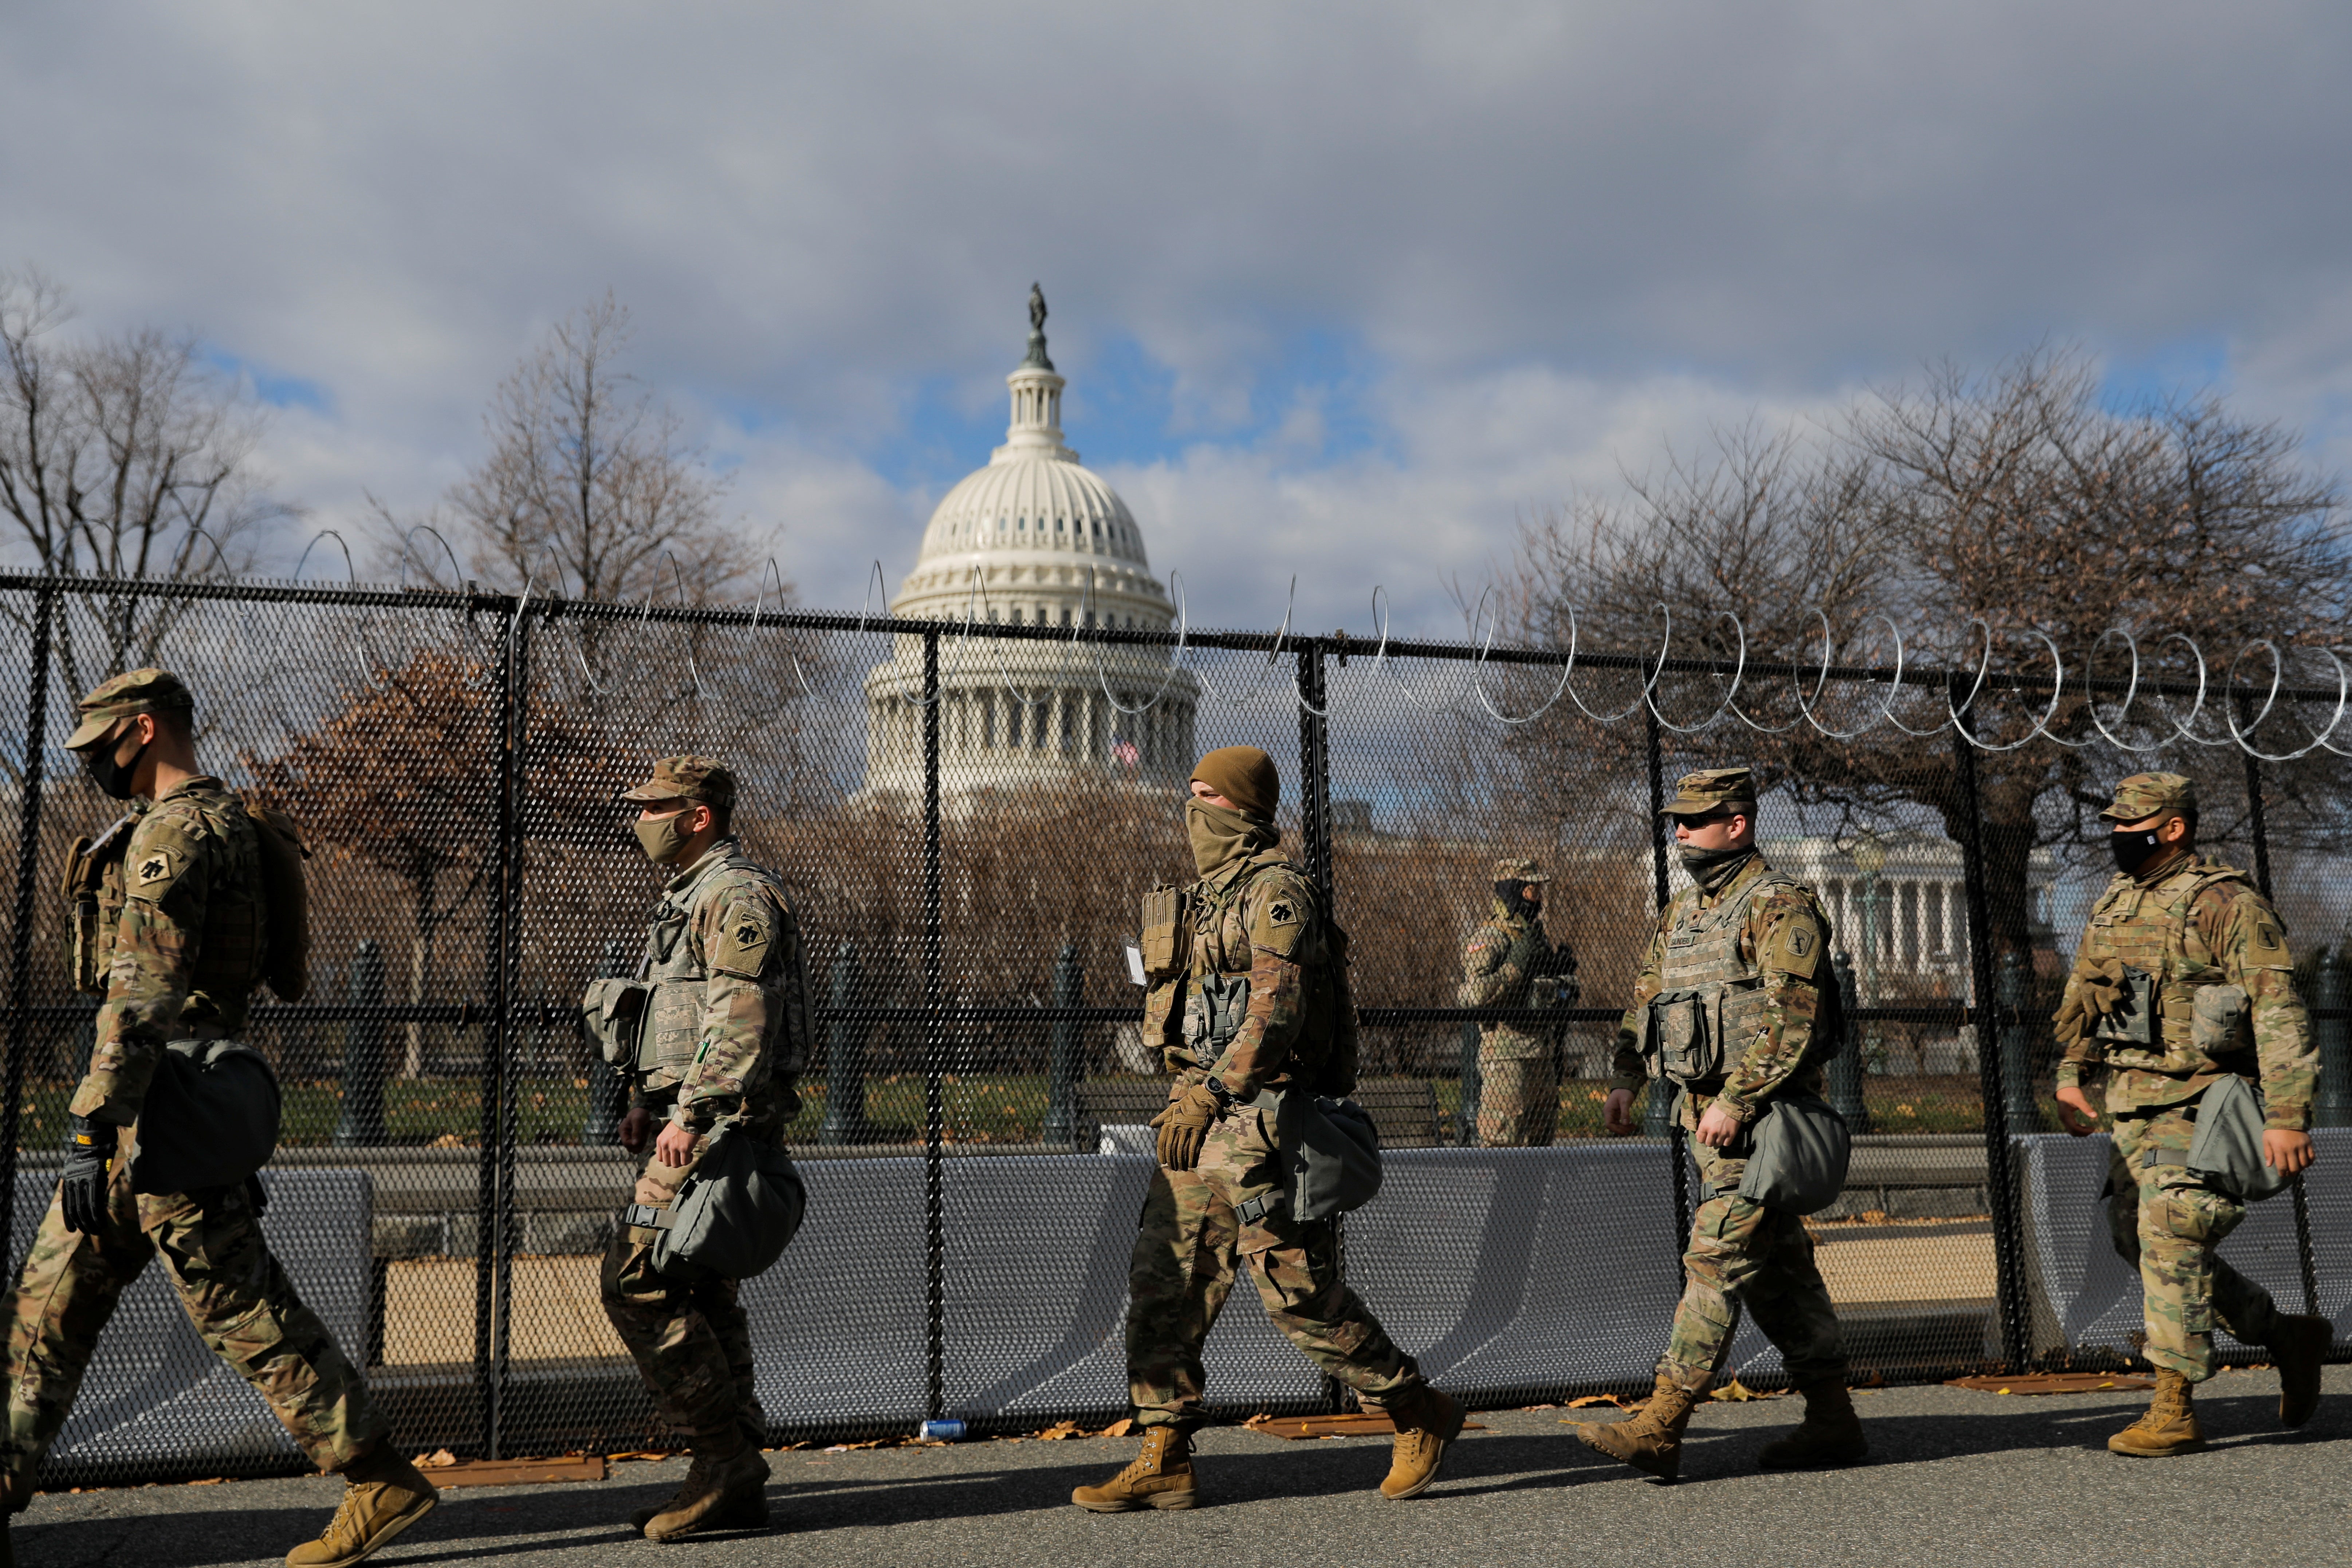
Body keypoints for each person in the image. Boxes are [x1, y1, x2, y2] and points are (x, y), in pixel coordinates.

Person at [0, 670, 435, 1568]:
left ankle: (380, 1474)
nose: (90, 766)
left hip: (160, 1106)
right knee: (47, 1307)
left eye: (97, 747)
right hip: (167, 1103)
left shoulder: (174, 833)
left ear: (144, 729)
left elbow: (143, 989)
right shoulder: (230, 820)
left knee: (239, 1306)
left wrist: (92, 1124)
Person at [1073, 746, 1462, 1512]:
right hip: (1195, 1119)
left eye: (1205, 796)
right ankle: (1164, 1452)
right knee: (1164, 1284)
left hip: (1256, 1120)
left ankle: (1416, 1409)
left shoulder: (1277, 893)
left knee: (1297, 1292)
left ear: (1243, 810)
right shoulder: (1198, 897)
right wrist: (1192, 1094)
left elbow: (1276, 1012)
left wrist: (1213, 1091)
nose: (1191, 809)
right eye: (1188, 793)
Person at [1579, 767, 1864, 1479]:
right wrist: (1623, 1076)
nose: (1679, 830)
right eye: (1676, 819)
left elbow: (1790, 1016)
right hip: (1709, 1124)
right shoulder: (1682, 915)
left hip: (1761, 1124)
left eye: (1695, 819)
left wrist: (1735, 1100)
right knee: (1779, 1276)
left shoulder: (1780, 905)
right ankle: (1832, 1420)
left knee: (1715, 1257)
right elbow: (1647, 999)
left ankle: (1662, 1420)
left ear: (1737, 823)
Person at [2051, 772, 2328, 1455]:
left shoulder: (2226, 903)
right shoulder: (2115, 900)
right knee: (2134, 1238)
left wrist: (2287, 1113)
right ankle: (2282, 1333)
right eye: (2113, 823)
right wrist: (2068, 1074)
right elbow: (2086, 992)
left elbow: (2276, 1007)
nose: (2116, 835)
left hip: (2202, 1102)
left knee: (2171, 1227)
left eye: (2130, 824)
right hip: (2129, 1104)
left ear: (2173, 828)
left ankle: (2172, 1405)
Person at [596, 756, 810, 1538]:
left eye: (654, 806)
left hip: (718, 1130)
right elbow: (672, 1016)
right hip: (691, 1122)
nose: (639, 819)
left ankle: (723, 1461)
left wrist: (689, 1116)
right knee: (699, 1289)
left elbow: (741, 1015)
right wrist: (642, 1104)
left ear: (698, 815)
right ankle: (735, 1474)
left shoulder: (735, 894)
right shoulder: (687, 896)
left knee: (637, 1280)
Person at [1459, 858, 1578, 1146]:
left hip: (1542, 1055)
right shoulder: (1491, 937)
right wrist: (1515, 967)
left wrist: (1557, 975)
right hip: (1506, 1060)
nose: (1539, 898)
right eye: (1532, 890)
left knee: (1540, 1149)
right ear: (1514, 890)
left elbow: (1548, 995)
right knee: (1503, 1146)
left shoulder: (1533, 936)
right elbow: (1472, 996)